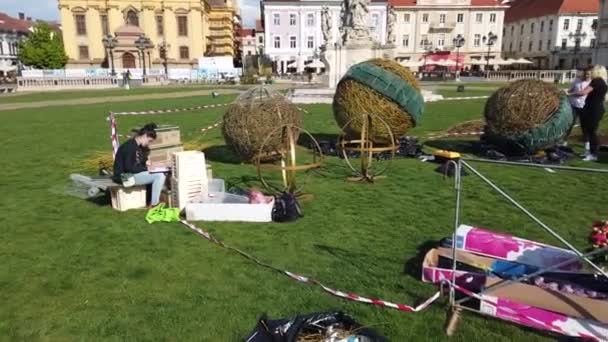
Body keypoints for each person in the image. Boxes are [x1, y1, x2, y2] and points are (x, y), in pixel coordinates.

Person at [112, 123, 166, 207]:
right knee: (159, 176)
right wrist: (147, 169)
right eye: (149, 141)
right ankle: (154, 204)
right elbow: (129, 168)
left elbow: (140, 163)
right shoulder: (129, 147)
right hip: (124, 177)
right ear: (144, 135)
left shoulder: (139, 147)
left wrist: (149, 165)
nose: (149, 143)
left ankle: (152, 200)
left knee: (159, 174)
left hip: (131, 174)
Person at [569, 65, 608, 162]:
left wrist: (570, 94)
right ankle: (590, 152)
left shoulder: (596, 81)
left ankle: (593, 154)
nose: (591, 73)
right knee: (590, 131)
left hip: (593, 109)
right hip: (596, 109)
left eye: (593, 71)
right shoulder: (603, 82)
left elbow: (583, 92)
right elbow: (604, 98)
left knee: (592, 132)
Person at [566, 68, 591, 147]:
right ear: (583, 74)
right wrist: (566, 92)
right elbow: (570, 90)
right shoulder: (576, 81)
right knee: (570, 123)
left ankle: (587, 142)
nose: (587, 76)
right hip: (573, 105)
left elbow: (582, 93)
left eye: (589, 74)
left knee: (584, 124)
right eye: (586, 74)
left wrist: (571, 94)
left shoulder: (591, 83)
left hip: (584, 106)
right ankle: (564, 140)